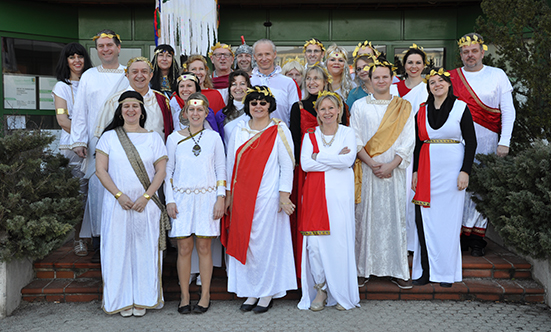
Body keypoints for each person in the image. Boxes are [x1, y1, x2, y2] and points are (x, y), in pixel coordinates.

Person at [223, 86, 296, 313]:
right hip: (242, 198)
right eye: (253, 102)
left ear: (270, 106)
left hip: (268, 197)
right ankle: (250, 291)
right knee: (248, 245)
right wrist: (227, 196)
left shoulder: (279, 130)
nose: (258, 106)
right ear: (248, 106)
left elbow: (287, 165)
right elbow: (229, 165)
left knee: (266, 245)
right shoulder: (240, 130)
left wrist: (284, 195)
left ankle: (267, 292)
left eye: (262, 103)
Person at [95, 91, 168, 316]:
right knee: (117, 251)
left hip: (146, 205)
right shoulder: (108, 138)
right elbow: (101, 170)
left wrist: (146, 197)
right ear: (120, 111)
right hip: (117, 204)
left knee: (145, 250)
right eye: (126, 107)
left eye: (135, 106)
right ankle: (121, 300)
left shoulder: (154, 138)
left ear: (141, 110)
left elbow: (161, 171)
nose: (130, 110)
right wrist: (119, 195)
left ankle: (144, 299)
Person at [350, 55, 415, 289]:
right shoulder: (359, 106)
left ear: (391, 79)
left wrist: (391, 164)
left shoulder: (403, 105)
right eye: (375, 77)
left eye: (384, 77)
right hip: (367, 172)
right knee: (365, 218)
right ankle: (362, 268)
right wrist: (370, 163)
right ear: (369, 78)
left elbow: (409, 139)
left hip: (393, 173)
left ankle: (397, 269)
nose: (380, 81)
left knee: (394, 219)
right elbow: (355, 138)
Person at [449, 33, 516, 256]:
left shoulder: (497, 75)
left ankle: (477, 238)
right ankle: (458, 235)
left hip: (488, 141)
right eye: (466, 52)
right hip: (457, 142)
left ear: (482, 52)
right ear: (460, 55)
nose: (470, 55)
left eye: (474, 51)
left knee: (481, 190)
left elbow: (508, 110)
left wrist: (504, 141)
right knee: (458, 187)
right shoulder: (452, 77)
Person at [411, 68, 477, 287]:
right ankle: (426, 271)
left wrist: (465, 171)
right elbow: (418, 144)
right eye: (432, 82)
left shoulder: (461, 108)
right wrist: (415, 172)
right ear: (428, 87)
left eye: (441, 81)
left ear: (449, 84)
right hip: (427, 172)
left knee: (448, 223)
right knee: (424, 221)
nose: (436, 84)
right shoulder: (421, 110)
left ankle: (446, 273)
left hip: (452, 175)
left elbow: (471, 142)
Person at [297, 91, 360, 311]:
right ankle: (321, 289)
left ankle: (341, 290)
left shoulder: (347, 133)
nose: (327, 112)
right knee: (314, 246)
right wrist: (333, 159)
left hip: (340, 195)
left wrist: (319, 157)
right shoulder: (310, 134)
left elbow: (348, 161)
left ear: (339, 110)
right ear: (317, 112)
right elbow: (305, 164)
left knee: (339, 242)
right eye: (322, 109)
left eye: (331, 108)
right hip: (315, 195)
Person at [70, 29, 129, 263]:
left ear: (118, 47)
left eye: (109, 45)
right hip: (96, 142)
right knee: (98, 189)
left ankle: (122, 237)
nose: (105, 49)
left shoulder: (128, 73)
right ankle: (99, 240)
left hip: (124, 139)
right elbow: (80, 111)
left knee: (123, 183)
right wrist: (79, 140)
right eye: (101, 46)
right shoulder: (89, 76)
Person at [164, 92, 226, 314]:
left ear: (206, 112)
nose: (196, 113)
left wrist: (221, 197)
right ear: (185, 112)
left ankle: (205, 294)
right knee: (184, 247)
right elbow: (167, 172)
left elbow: (221, 168)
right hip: (181, 198)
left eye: (200, 109)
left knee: (204, 246)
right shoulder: (173, 138)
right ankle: (184, 296)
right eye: (191, 109)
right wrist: (169, 199)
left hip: (207, 197)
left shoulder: (213, 138)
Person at [53, 42, 93, 257]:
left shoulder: (91, 82)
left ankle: (95, 236)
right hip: (73, 148)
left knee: (96, 193)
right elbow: (62, 119)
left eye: (80, 56)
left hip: (94, 147)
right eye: (71, 57)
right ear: (66, 61)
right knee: (79, 197)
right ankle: (79, 240)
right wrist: (83, 140)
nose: (77, 60)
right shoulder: (62, 87)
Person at [392, 44, 430, 253]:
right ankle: (394, 242)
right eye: (410, 62)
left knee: (410, 194)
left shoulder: (428, 88)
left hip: (417, 148)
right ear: (404, 65)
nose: (414, 66)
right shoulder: (393, 87)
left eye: (418, 62)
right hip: (393, 146)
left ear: (424, 65)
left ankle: (411, 243)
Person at [95, 57, 173, 142]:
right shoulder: (115, 101)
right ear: (127, 76)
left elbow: (169, 131)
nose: (139, 75)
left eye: (144, 71)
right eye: (135, 72)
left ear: (151, 75)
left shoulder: (162, 100)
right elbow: (104, 137)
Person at [250, 39, 299, 126]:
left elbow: (294, 114)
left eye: (267, 54)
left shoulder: (288, 82)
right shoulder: (249, 82)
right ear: (254, 56)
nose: (264, 58)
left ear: (275, 54)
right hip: (254, 135)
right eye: (260, 55)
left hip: (280, 135)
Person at [215, 70, 252, 146]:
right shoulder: (222, 114)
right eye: (234, 84)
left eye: (242, 84)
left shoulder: (255, 112)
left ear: (248, 87)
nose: (238, 88)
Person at [346, 40, 378, 109]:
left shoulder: (389, 87)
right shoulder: (354, 93)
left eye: (366, 67)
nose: (362, 71)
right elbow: (348, 116)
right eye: (359, 69)